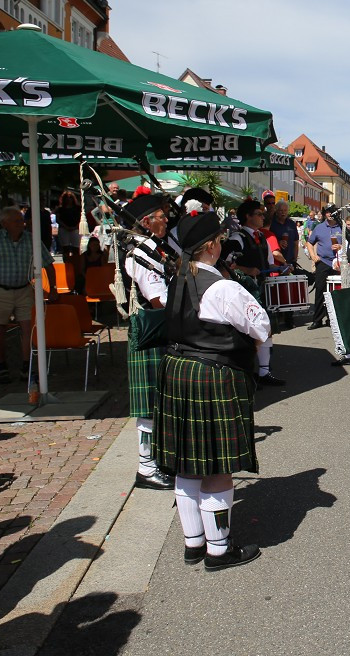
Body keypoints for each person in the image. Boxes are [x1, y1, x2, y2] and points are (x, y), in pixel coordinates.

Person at [153, 211, 269, 571]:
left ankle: (193, 543)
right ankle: (218, 549)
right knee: (218, 466)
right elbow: (261, 327)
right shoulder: (222, 287)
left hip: (177, 370)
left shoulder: (176, 279)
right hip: (214, 375)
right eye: (220, 240)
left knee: (186, 462)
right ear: (212, 247)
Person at [121, 191, 175, 491]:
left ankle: (157, 459)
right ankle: (146, 468)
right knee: (149, 404)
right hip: (151, 331)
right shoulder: (141, 253)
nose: (166, 219)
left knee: (158, 402)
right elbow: (158, 300)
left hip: (155, 330)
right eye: (161, 216)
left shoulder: (154, 249)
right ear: (146, 221)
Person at [0, 206, 57, 384]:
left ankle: (26, 367)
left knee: (28, 329)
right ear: (5, 223)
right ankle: (2, 366)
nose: (22, 223)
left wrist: (54, 288)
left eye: (22, 220)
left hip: (24, 289)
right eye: (17, 220)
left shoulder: (31, 240)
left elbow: (48, 263)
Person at [224, 200, 284, 387]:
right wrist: (247, 270)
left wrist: (283, 268)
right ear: (247, 217)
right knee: (245, 331)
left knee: (265, 328)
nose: (262, 216)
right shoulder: (236, 239)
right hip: (243, 291)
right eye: (258, 213)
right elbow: (226, 265)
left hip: (261, 288)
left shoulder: (263, 238)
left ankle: (265, 371)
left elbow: (268, 264)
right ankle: (244, 374)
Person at [306, 205, 342, 329]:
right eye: (328, 212)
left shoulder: (342, 227)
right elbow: (310, 243)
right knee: (320, 291)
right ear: (324, 214)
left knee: (335, 292)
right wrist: (313, 255)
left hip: (338, 263)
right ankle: (317, 320)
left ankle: (332, 319)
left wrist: (341, 247)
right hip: (323, 262)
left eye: (333, 211)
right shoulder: (319, 227)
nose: (330, 214)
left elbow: (349, 245)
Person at [269, 200, 300, 267]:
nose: (283, 213)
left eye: (285, 210)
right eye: (281, 210)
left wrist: (295, 259)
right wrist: (277, 243)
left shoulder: (291, 223)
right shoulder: (271, 224)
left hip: (290, 261)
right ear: (276, 211)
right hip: (276, 262)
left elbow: (296, 243)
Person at [54, 190, 82, 265]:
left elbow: (81, 218)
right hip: (64, 229)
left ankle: (76, 264)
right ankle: (67, 264)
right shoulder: (60, 209)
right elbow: (58, 219)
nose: (68, 199)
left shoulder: (78, 208)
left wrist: (75, 227)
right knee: (65, 248)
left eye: (70, 197)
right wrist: (65, 227)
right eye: (67, 197)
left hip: (75, 229)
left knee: (76, 248)